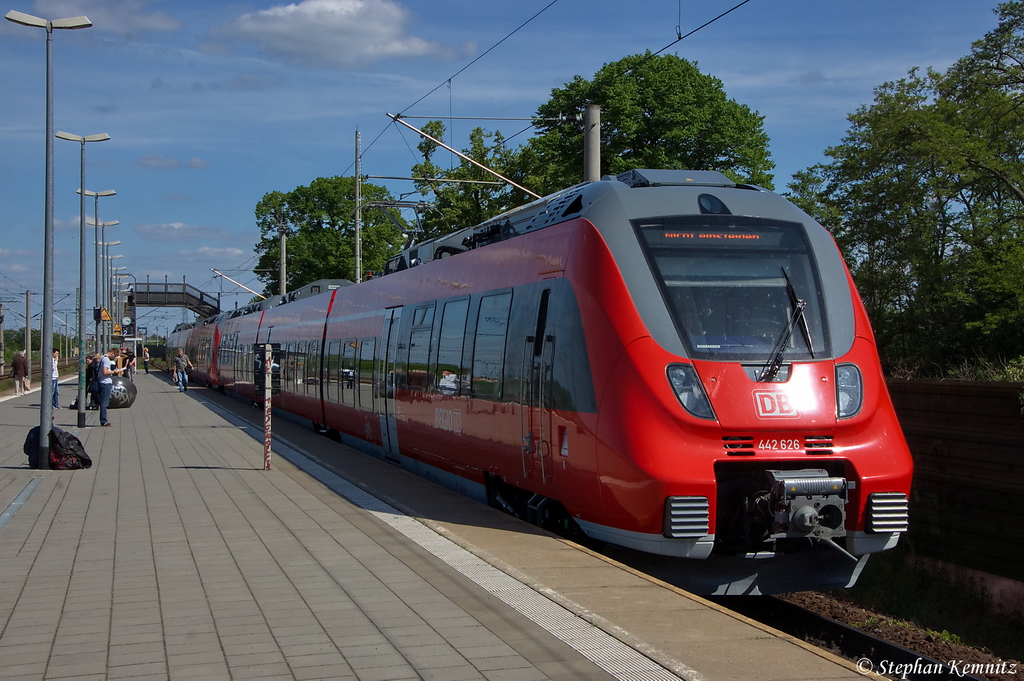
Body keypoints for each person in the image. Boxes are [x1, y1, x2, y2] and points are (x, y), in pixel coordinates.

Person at [98, 347, 124, 427]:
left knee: (104, 402)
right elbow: (105, 372)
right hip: (105, 382)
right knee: (104, 403)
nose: (114, 358)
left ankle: (103, 420)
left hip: (102, 381)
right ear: (112, 353)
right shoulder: (106, 360)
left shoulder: (102, 358)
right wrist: (114, 371)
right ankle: (104, 421)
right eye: (114, 356)